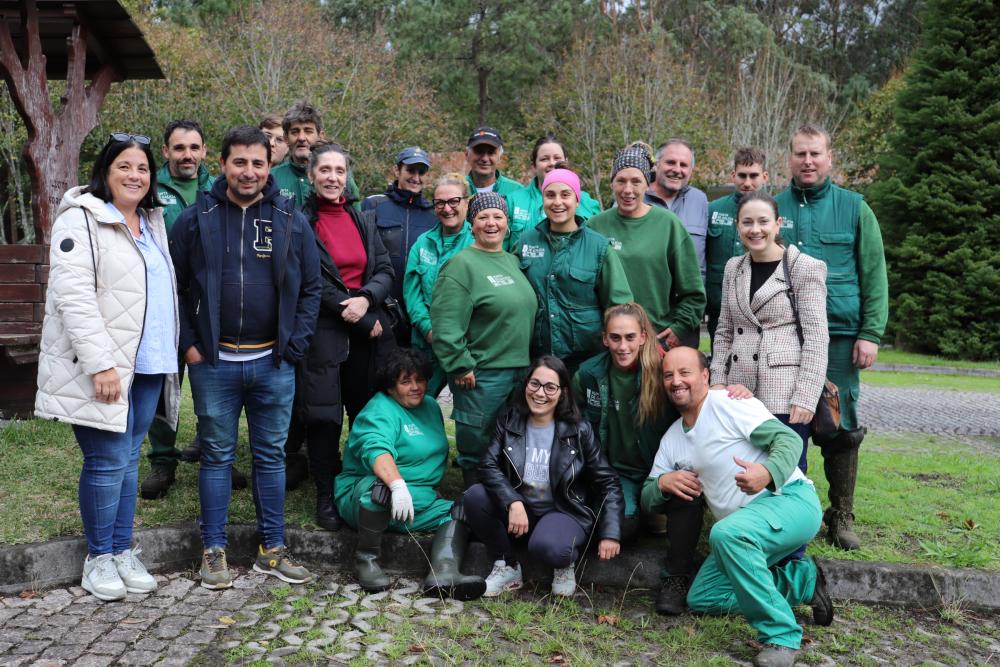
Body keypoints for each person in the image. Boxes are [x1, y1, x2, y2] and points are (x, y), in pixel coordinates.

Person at [170, 125, 321, 590]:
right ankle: (212, 549)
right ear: (222, 165)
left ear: (269, 165)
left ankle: (271, 550)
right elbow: (174, 291)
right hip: (214, 364)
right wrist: (191, 346)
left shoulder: (292, 219)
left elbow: (312, 288)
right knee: (217, 455)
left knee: (271, 456)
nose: (249, 171)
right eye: (239, 161)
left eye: (257, 162)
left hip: (273, 363)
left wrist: (293, 347)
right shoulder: (195, 219)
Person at [36, 132, 179, 601]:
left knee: (129, 459)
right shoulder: (82, 219)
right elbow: (72, 297)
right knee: (105, 461)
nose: (135, 176)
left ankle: (121, 551)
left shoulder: (150, 222)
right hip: (108, 367)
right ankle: (98, 558)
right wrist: (100, 365)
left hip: (149, 364)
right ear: (106, 171)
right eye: (125, 167)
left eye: (142, 168)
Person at [643, 347, 833, 667]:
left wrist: (767, 473)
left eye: (685, 372)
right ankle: (802, 582)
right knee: (704, 597)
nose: (676, 381)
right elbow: (647, 495)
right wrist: (662, 484)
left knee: (725, 533)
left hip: (790, 502)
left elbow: (788, 441)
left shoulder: (727, 403)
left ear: (705, 376)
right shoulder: (673, 438)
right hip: (741, 534)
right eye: (668, 375)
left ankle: (782, 636)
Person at [775, 124, 889, 550]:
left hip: (840, 335)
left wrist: (871, 333)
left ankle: (841, 513)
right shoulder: (773, 207)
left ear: (829, 158)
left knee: (841, 426)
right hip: (785, 335)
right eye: (800, 154)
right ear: (789, 158)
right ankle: (784, 505)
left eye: (815, 154)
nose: (808, 161)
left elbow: (874, 274)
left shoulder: (855, 208)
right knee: (786, 420)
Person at [296, 141, 396, 531]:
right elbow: (307, 278)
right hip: (323, 332)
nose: (333, 178)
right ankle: (325, 493)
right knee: (323, 417)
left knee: (364, 413)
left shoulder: (362, 219)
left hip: (366, 333)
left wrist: (367, 300)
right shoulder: (300, 221)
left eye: (339, 171)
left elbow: (384, 269)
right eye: (325, 171)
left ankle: (359, 482)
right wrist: (353, 312)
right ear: (311, 175)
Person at [465, 355, 624, 597]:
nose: (540, 393)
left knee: (550, 547)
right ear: (526, 385)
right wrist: (513, 501)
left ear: (563, 392)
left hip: (563, 512)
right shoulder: (510, 419)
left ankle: (564, 564)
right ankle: (507, 565)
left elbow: (608, 481)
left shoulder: (579, 430)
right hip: (521, 514)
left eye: (551, 387)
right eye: (535, 384)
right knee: (475, 497)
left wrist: (610, 532)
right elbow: (487, 465)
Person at [335, 348, 486, 600]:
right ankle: (366, 560)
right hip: (366, 493)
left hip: (416, 500)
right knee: (379, 491)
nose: (415, 387)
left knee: (461, 509)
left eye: (420, 379)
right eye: (406, 381)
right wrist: (397, 485)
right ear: (390, 387)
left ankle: (444, 572)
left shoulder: (429, 406)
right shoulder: (379, 410)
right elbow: (376, 449)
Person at [711, 190, 829, 475]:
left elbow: (816, 338)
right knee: (741, 464)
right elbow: (724, 329)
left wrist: (806, 397)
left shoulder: (804, 268)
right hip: (738, 390)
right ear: (737, 226)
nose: (755, 230)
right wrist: (717, 380)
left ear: (778, 224)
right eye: (747, 222)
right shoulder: (733, 268)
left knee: (786, 470)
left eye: (763, 221)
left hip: (784, 391)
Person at [431, 193, 536, 488]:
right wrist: (459, 364)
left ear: (507, 223)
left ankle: (506, 502)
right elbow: (445, 323)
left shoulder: (513, 261)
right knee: (478, 445)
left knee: (511, 444)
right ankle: (475, 505)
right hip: (482, 374)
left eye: (498, 217)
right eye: (483, 217)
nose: (491, 223)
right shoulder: (461, 265)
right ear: (471, 224)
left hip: (519, 371)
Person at [140, 119, 216, 500]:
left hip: (206, 303)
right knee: (163, 383)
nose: (187, 155)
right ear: (166, 151)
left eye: (194, 148)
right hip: (161, 302)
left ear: (204, 151)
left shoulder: (216, 188)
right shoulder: (150, 189)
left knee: (213, 382)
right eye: (179, 148)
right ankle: (163, 461)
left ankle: (214, 453)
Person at [572, 303, 679, 542]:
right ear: (604, 339)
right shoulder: (588, 375)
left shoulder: (665, 371)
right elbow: (570, 422)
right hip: (619, 473)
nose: (623, 346)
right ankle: (634, 508)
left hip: (660, 469)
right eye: (615, 338)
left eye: (630, 337)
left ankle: (653, 509)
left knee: (667, 522)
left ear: (642, 337)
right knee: (621, 526)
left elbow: (695, 410)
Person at [588, 146, 705, 352]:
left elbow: (693, 293)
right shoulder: (595, 227)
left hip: (657, 341)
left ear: (647, 185)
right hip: (611, 344)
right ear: (611, 183)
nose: (628, 190)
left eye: (636, 181)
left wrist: (678, 329)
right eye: (621, 181)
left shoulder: (668, 225)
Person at [516, 167, 633, 373]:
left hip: (586, 360)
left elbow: (620, 307)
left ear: (577, 200)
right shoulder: (526, 242)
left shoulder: (598, 247)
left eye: (565, 194)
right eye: (550, 195)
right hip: (537, 358)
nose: (557, 202)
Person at [403, 173, 474, 397]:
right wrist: (430, 331)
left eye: (454, 201)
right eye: (440, 203)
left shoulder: (478, 241)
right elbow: (412, 294)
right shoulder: (422, 243)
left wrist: (453, 340)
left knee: (468, 413)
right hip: (426, 345)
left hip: (466, 347)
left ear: (467, 201)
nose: (447, 208)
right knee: (420, 405)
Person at [362, 146, 438, 344]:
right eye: (410, 170)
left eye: (421, 172)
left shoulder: (433, 214)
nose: (416, 177)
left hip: (419, 310)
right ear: (397, 170)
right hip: (381, 306)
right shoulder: (375, 204)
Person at [706, 147, 771, 343]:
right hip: (719, 309)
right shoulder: (713, 210)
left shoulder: (774, 212)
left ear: (764, 177)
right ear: (733, 176)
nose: (747, 182)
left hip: (760, 312)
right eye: (742, 176)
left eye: (754, 176)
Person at [505, 135, 602, 248]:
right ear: (533, 166)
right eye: (544, 159)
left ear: (566, 162)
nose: (552, 163)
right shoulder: (513, 201)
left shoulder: (587, 202)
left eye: (557, 158)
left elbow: (599, 244)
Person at [271, 101, 360, 208]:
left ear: (320, 136)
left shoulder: (340, 179)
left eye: (308, 131)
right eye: (295, 132)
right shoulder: (272, 177)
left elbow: (355, 220)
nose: (301, 138)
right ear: (286, 138)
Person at [644, 139, 710, 282]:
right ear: (656, 165)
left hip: (690, 298)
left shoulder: (700, 200)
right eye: (670, 162)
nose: (677, 170)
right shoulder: (636, 197)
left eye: (684, 165)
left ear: (691, 171)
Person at [464, 127, 522, 196]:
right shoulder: (455, 188)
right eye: (479, 151)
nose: (485, 159)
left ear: (500, 157)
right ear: (467, 154)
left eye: (491, 152)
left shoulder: (517, 191)